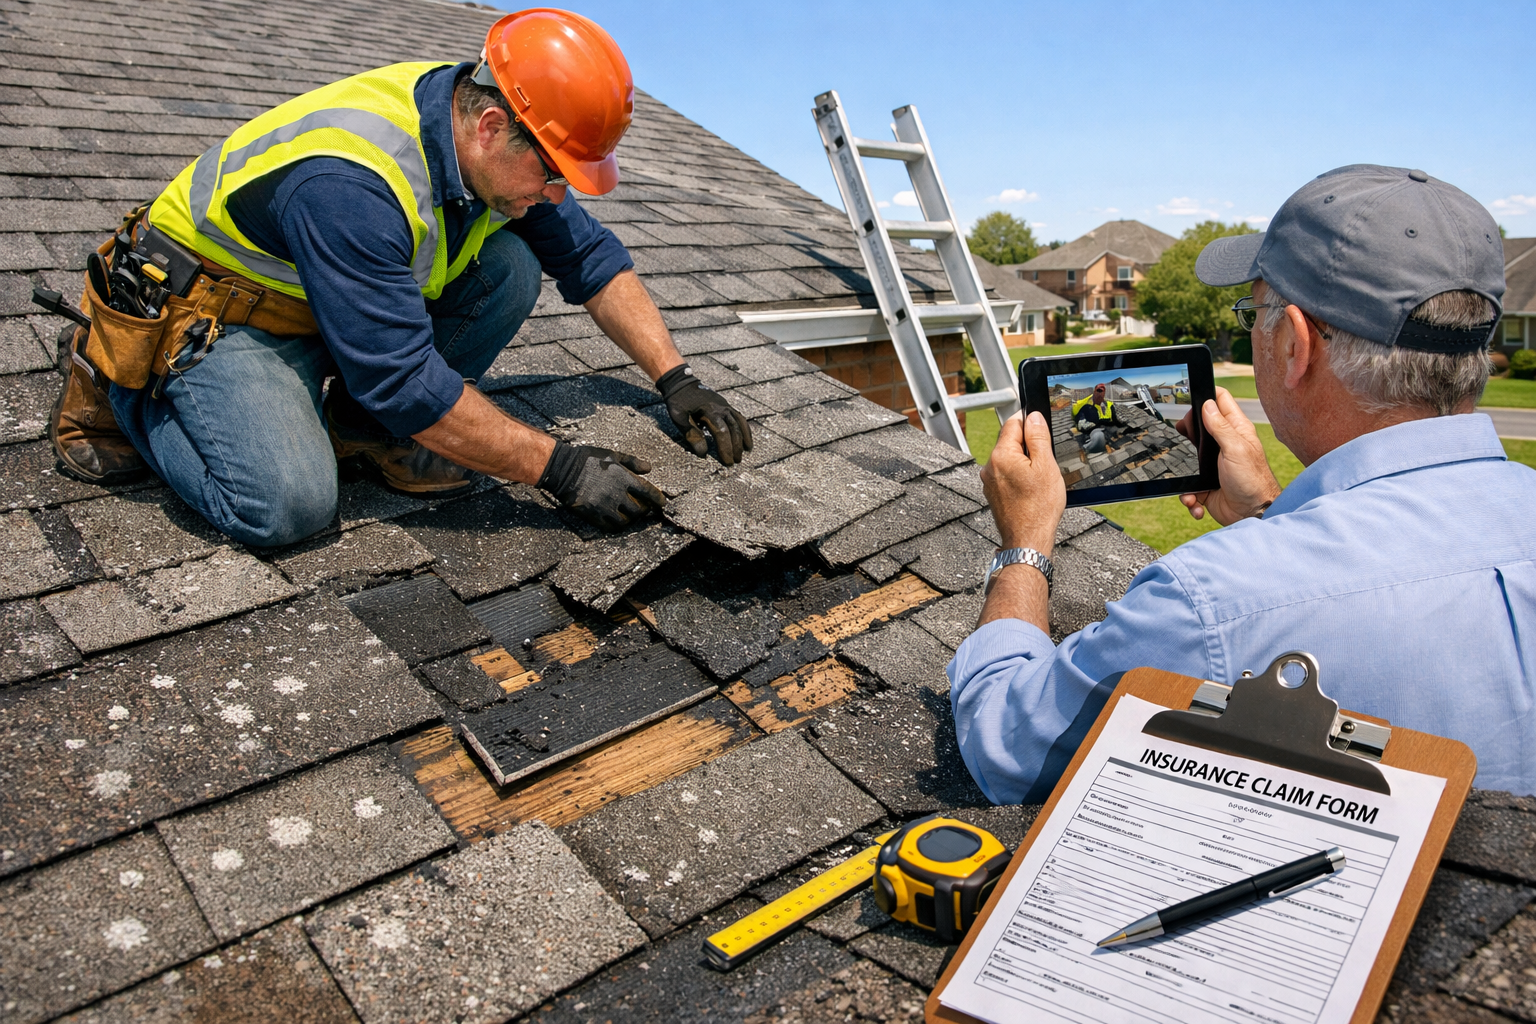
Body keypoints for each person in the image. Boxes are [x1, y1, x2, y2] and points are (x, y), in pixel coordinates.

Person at [48, 9, 752, 546]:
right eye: (554, 173)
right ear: (490, 127)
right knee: (284, 505)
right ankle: (117, 377)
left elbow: (593, 263)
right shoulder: (350, 183)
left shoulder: (480, 129)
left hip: (332, 303)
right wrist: (560, 469)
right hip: (216, 318)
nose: (557, 195)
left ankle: (362, 431)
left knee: (510, 265)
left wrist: (675, 378)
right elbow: (402, 376)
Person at [952, 164, 1536, 800]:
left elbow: (1006, 742)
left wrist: (1024, 545)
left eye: (1255, 311)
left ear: (1295, 345)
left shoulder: (1207, 602)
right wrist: (1270, 514)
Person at [1071, 382, 1121, 453]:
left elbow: (1115, 420)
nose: (1100, 394)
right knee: (1098, 436)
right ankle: (1087, 447)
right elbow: (1081, 423)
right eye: (1098, 391)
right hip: (1093, 430)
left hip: (1106, 427)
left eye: (1102, 391)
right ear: (1094, 392)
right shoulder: (1086, 406)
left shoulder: (1109, 404)